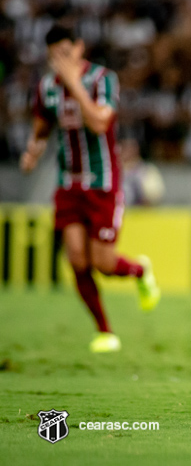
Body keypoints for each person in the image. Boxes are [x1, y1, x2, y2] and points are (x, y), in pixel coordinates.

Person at [20, 25, 161, 353]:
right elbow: (41, 126)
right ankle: (105, 331)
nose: (60, 60)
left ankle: (140, 270)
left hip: (103, 183)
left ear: (80, 48)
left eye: (66, 53)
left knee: (103, 263)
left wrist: (73, 84)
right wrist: (32, 151)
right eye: (55, 55)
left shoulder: (102, 80)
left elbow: (100, 122)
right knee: (77, 260)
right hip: (69, 183)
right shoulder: (46, 87)